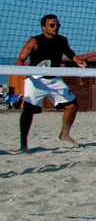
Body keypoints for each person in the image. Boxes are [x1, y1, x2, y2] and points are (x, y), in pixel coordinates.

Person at [14, 14, 87, 151]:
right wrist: (21, 70)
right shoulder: (33, 41)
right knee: (28, 110)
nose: (55, 27)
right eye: (52, 25)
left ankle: (64, 134)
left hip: (53, 79)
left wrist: (78, 61)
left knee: (72, 106)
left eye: (57, 25)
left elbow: (69, 52)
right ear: (44, 27)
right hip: (35, 80)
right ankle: (23, 143)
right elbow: (19, 59)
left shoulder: (62, 40)